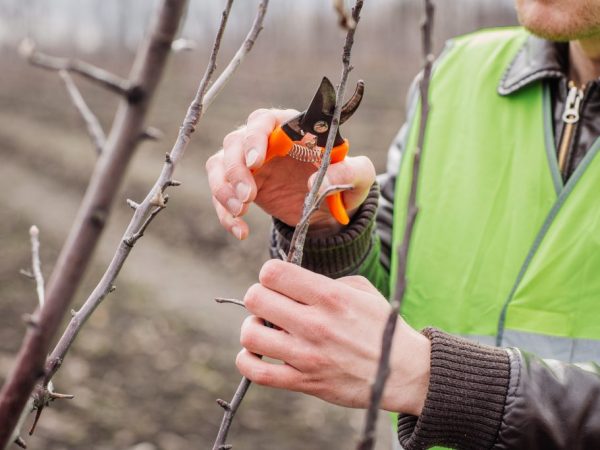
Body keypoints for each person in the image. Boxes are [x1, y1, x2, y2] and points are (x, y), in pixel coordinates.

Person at [205, 0, 600, 448]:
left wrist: (437, 380)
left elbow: (411, 363)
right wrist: (326, 224)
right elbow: (394, 289)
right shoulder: (458, 75)